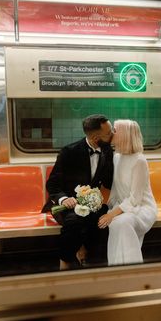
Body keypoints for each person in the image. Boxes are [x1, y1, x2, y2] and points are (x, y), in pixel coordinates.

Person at [42, 114, 114, 270]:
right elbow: (53, 184)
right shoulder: (69, 152)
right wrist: (64, 199)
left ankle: (95, 263)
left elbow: (109, 181)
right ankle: (65, 261)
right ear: (95, 138)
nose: (113, 134)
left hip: (92, 202)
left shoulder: (108, 151)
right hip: (67, 203)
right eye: (109, 133)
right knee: (74, 222)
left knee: (101, 221)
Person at [98, 120, 158, 266]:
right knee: (116, 223)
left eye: (116, 130)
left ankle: (131, 268)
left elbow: (136, 198)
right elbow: (116, 188)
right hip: (122, 205)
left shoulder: (139, 161)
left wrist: (112, 214)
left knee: (121, 222)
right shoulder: (117, 157)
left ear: (125, 135)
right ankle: (118, 266)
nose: (112, 133)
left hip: (142, 207)